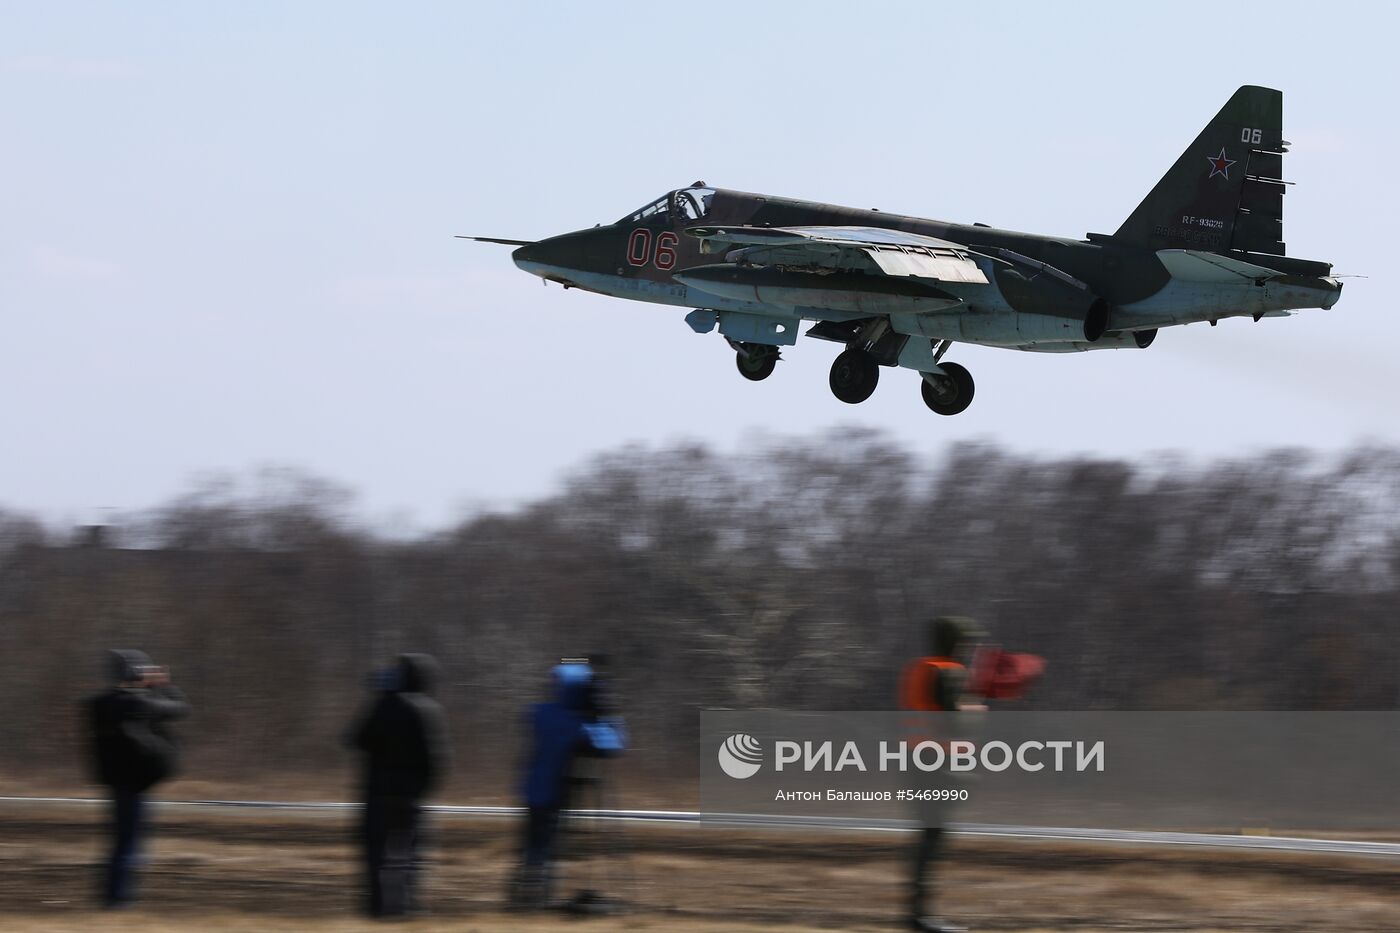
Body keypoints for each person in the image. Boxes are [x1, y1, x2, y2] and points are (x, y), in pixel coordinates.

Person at [347, 653, 450, 919]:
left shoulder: (383, 705)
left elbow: (356, 739)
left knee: (375, 857)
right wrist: (422, 789)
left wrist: (380, 699)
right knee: (410, 857)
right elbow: (436, 759)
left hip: (378, 793)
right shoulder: (428, 709)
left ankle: (376, 909)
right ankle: (406, 907)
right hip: (410, 797)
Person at [511, 661, 621, 909]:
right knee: (545, 848)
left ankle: (522, 897)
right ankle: (538, 899)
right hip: (555, 793)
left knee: (531, 847)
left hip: (532, 789)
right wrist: (606, 713)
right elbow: (611, 745)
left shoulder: (543, 713)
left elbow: (532, 714)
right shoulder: (576, 722)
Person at [899, 617, 983, 933]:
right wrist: (976, 705)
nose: (970, 648)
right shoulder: (949, 672)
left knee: (927, 835)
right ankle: (920, 917)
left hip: (913, 760)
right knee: (933, 838)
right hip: (939, 763)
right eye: (966, 642)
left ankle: (917, 914)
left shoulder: (918, 668)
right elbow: (956, 722)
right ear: (955, 642)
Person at [87, 648, 189, 908]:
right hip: (135, 783)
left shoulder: (101, 704)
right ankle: (118, 900)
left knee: (122, 841)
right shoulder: (135, 703)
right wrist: (163, 685)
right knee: (129, 844)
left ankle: (114, 896)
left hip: (115, 782)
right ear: (134, 671)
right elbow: (178, 709)